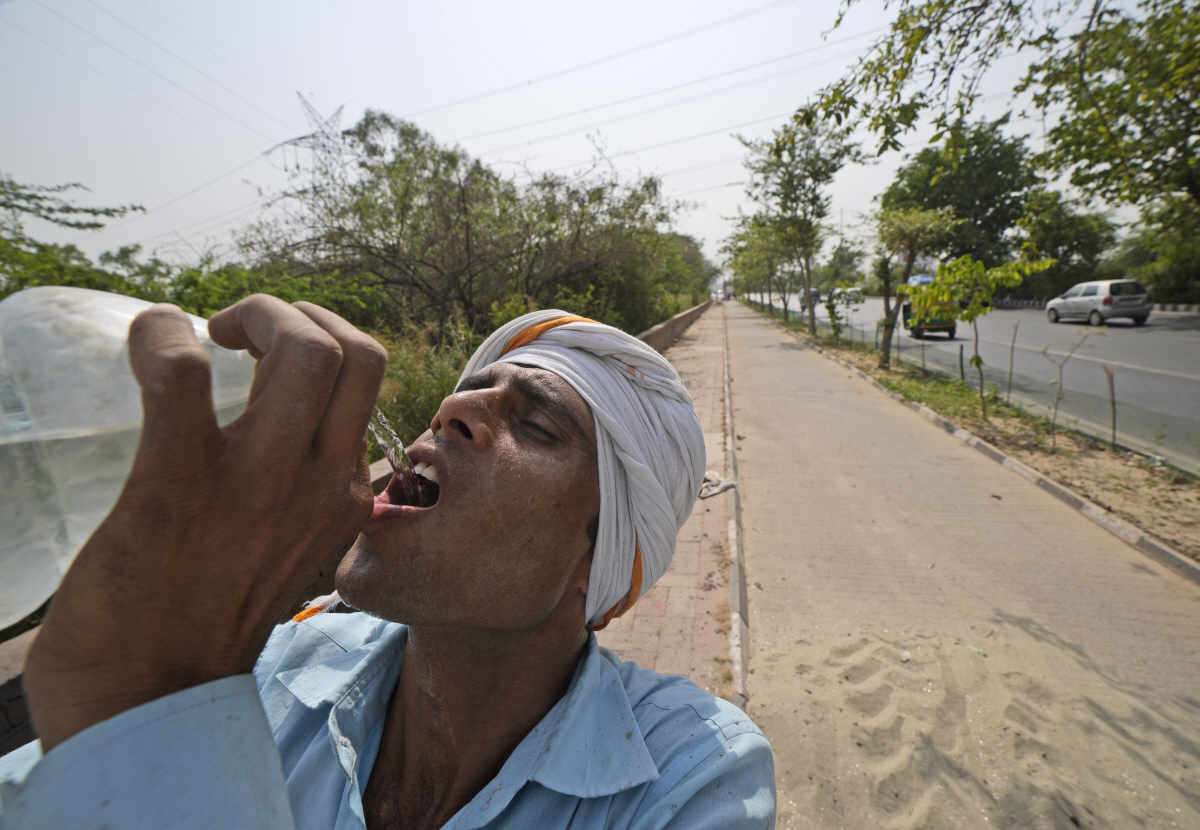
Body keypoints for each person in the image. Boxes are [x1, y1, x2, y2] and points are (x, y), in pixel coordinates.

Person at [0, 296, 774, 829]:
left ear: (595, 559)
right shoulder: (282, 665)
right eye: (469, 391)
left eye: (536, 424)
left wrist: (159, 693)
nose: (454, 409)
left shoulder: (687, 774)